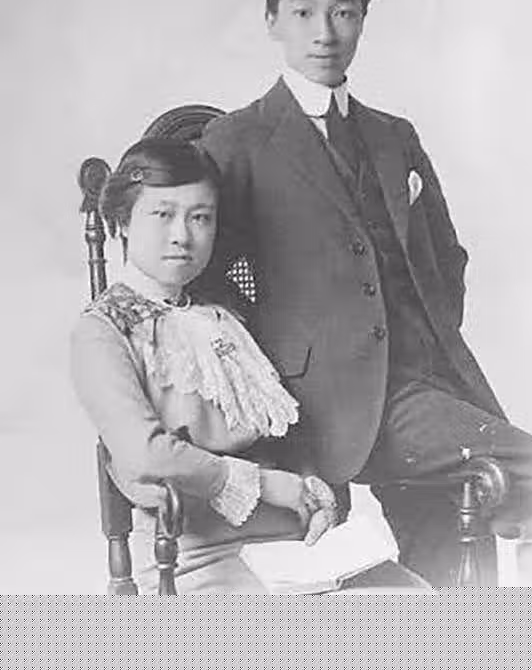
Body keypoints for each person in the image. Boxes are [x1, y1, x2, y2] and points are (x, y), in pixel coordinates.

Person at [198, 0, 532, 586]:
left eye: (343, 13)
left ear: (362, 20)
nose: (325, 33)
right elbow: (214, 287)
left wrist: (428, 336)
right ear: (272, 22)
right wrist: (295, 366)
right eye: (303, 13)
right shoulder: (236, 142)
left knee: (447, 554)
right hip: (333, 404)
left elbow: (447, 255)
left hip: (434, 381)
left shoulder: (393, 135)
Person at [70, 136, 338, 593]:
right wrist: (270, 486)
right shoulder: (102, 331)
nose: (182, 235)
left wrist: (312, 487)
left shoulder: (227, 316)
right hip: (192, 555)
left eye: (201, 217)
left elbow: (287, 428)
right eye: (162, 215)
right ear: (124, 223)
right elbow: (147, 453)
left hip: (294, 546)